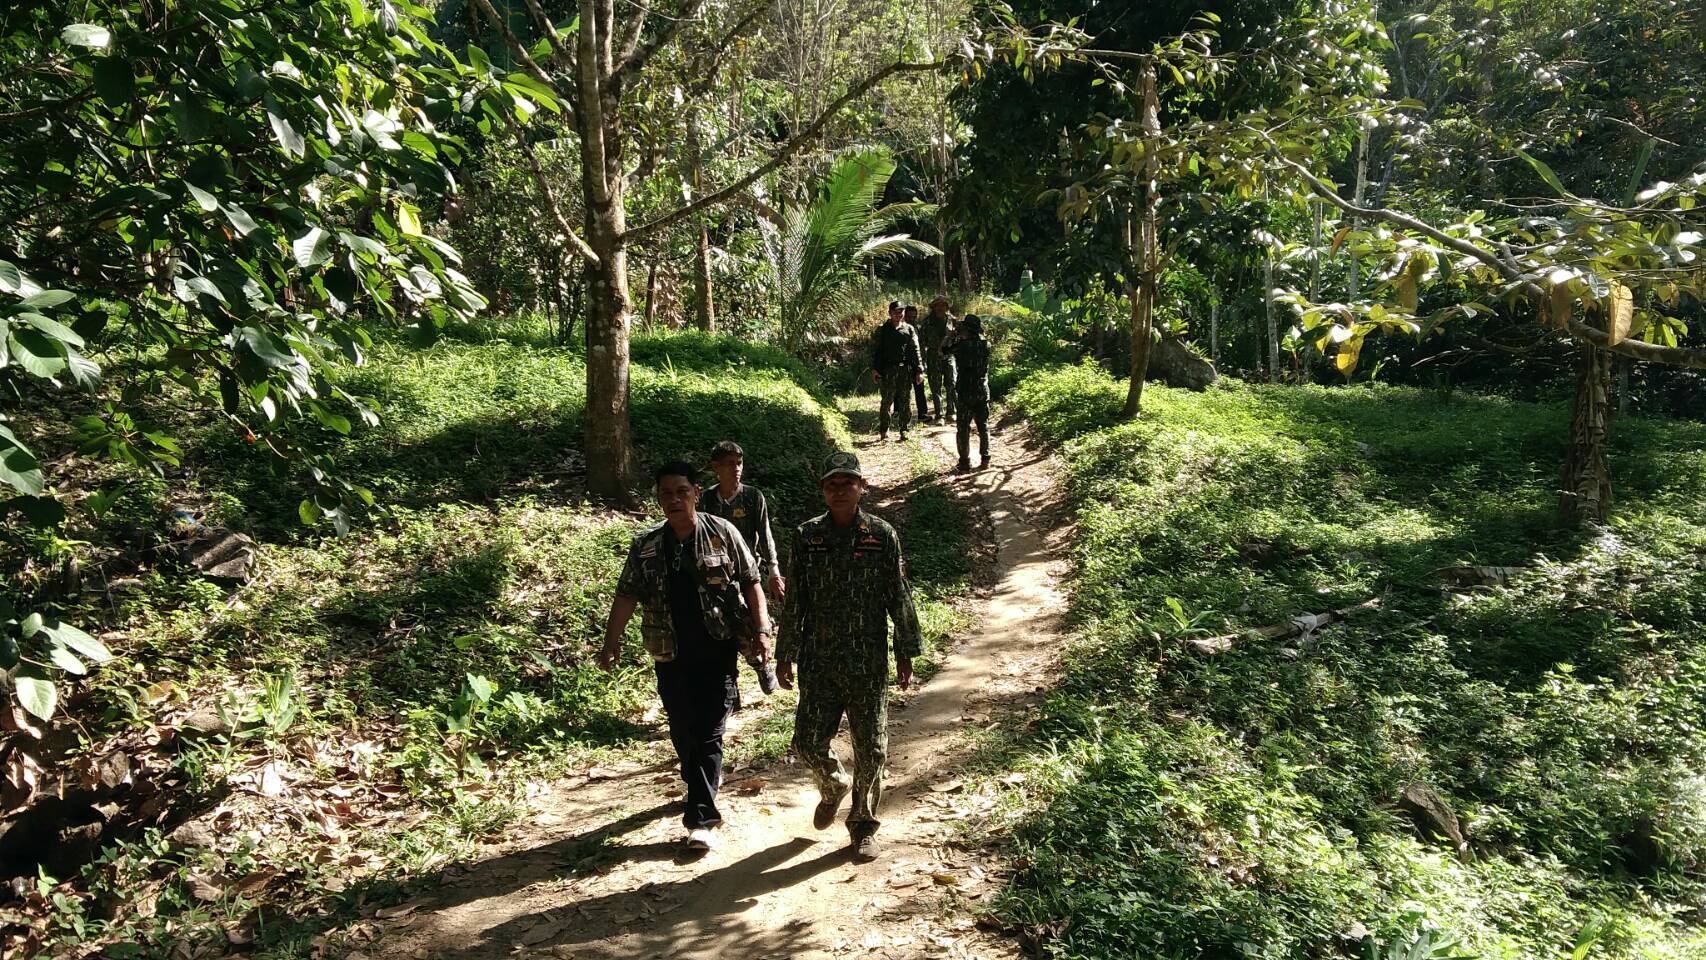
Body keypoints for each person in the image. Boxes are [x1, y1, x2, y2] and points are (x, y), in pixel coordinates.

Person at [598, 461, 773, 853]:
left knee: (709, 730)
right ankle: (698, 780)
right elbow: (627, 594)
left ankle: (701, 820)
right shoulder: (646, 545)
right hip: (669, 653)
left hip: (717, 648)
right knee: (682, 728)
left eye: (681, 491)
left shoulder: (722, 532)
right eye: (666, 493)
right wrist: (611, 642)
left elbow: (751, 583)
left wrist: (762, 630)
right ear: (658, 498)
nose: (674, 499)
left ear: (696, 493)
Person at [776, 451, 921, 862]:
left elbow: (898, 594)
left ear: (862, 488)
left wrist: (905, 650)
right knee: (807, 742)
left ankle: (862, 824)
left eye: (847, 483)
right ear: (823, 490)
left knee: (871, 748)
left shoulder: (881, 535)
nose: (839, 491)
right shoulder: (807, 536)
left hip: (867, 662)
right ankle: (833, 785)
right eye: (831, 485)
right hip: (818, 660)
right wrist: (785, 653)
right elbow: (796, 599)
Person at [701, 440, 782, 695]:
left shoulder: (752, 497)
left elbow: (765, 535)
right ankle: (729, 685)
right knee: (719, 629)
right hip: (715, 575)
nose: (736, 469)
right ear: (716, 467)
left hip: (747, 573)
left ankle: (762, 665)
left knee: (750, 624)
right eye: (729, 464)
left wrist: (774, 570)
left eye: (739, 463)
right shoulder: (706, 499)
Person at [943, 314, 992, 473]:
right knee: (983, 425)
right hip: (981, 389)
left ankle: (964, 462)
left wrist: (950, 337)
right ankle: (985, 459)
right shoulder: (986, 345)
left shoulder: (961, 346)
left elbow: (943, 351)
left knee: (963, 427)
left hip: (965, 390)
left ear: (967, 330)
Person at [870, 301, 922, 441]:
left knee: (905, 400)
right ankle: (884, 429)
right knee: (887, 400)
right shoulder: (883, 329)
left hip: (905, 369)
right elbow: (876, 351)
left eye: (901, 312)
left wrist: (919, 370)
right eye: (895, 312)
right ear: (890, 313)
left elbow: (915, 350)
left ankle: (904, 429)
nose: (898, 314)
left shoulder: (909, 329)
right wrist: (875, 369)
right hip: (888, 370)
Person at [919, 296, 958, 424]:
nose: (940, 308)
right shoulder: (927, 322)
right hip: (933, 356)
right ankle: (939, 415)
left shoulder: (953, 321)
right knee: (935, 386)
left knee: (951, 384)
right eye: (938, 305)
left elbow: (959, 338)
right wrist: (922, 360)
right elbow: (921, 342)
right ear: (934, 307)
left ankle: (951, 412)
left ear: (947, 307)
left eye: (943, 305)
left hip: (949, 356)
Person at [903, 304, 930, 424]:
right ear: (904, 316)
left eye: (914, 317)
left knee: (920, 389)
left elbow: (923, 346)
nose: (911, 319)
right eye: (909, 317)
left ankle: (922, 414)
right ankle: (900, 414)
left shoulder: (919, 329)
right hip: (904, 364)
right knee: (902, 391)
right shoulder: (901, 329)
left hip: (917, 364)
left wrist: (922, 363)